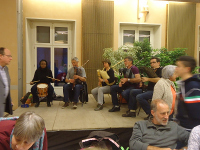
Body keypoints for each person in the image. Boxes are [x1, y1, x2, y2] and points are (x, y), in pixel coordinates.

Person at [175, 56, 200, 129]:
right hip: (183, 127)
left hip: (189, 129)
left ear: (187, 69)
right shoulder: (184, 84)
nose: (176, 68)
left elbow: (196, 113)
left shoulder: (192, 87)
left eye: (178, 66)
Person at [0, 47, 13, 117]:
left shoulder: (6, 69)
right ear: (1, 56)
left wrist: (9, 100)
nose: (11, 58)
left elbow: (5, 86)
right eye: (9, 56)